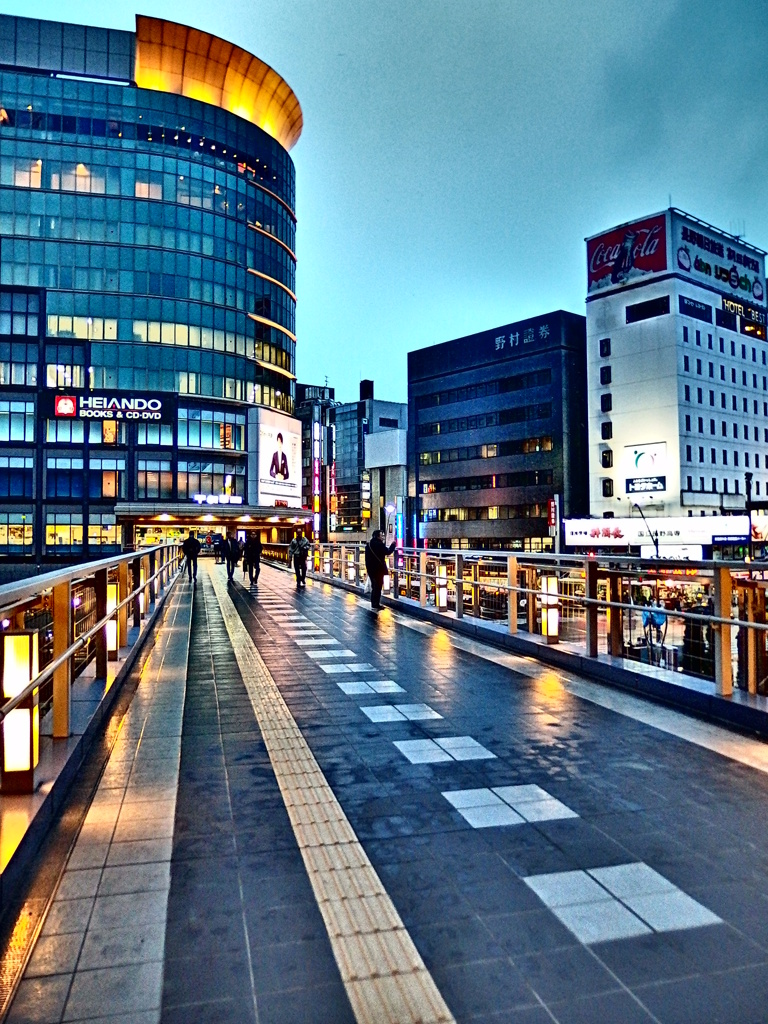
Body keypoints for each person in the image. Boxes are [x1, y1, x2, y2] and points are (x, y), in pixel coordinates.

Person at [364, 528, 396, 612]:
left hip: (370, 568)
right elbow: (388, 552)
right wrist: (393, 545)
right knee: (378, 586)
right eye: (381, 535)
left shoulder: (369, 544)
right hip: (378, 569)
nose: (382, 537)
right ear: (378, 536)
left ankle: (374, 603)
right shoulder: (379, 544)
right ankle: (376, 604)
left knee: (374, 586)